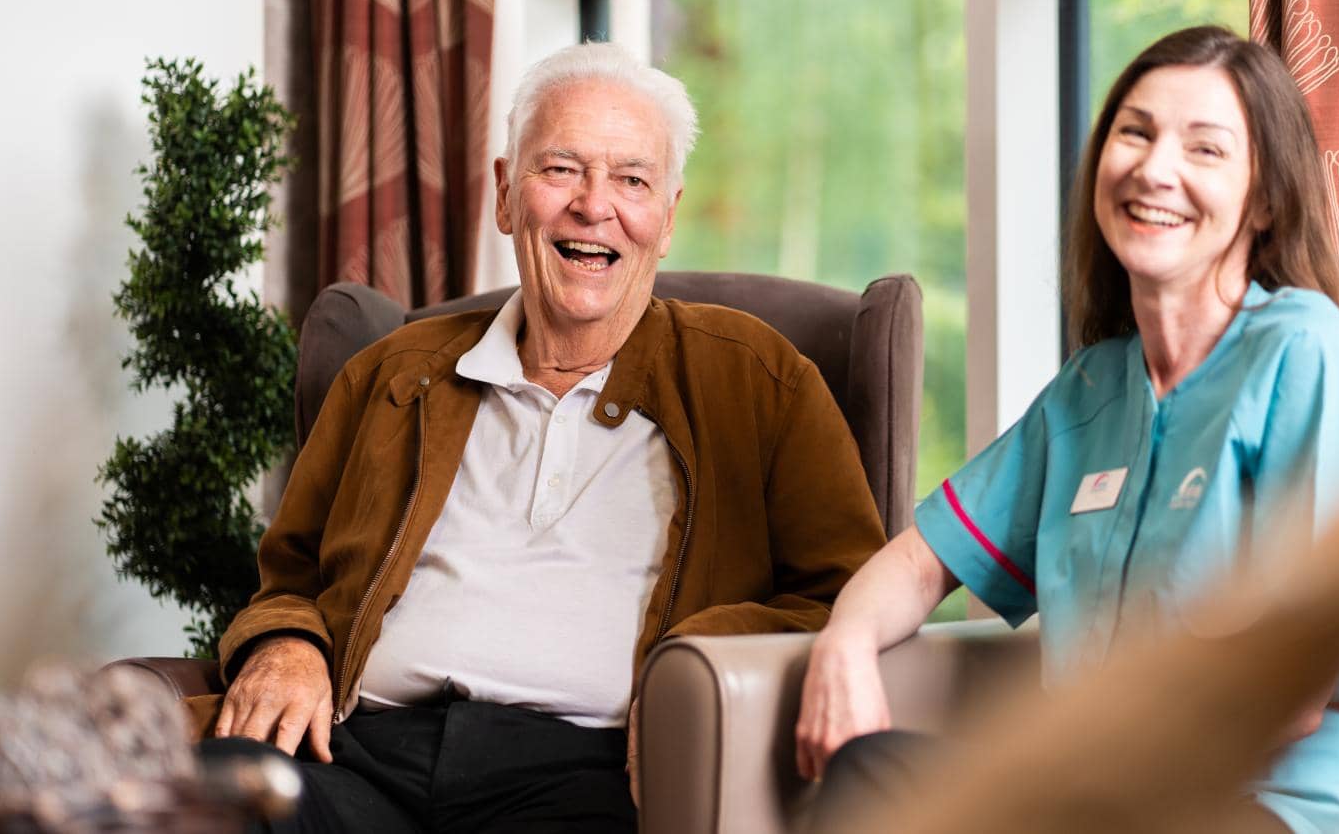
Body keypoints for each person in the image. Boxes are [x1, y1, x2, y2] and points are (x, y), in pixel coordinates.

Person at [203, 41, 887, 833]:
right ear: (504, 192)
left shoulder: (759, 379)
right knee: (203, 801)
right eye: (560, 168)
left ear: (666, 219)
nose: (594, 206)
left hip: (590, 778)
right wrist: (287, 643)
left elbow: (845, 598)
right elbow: (290, 574)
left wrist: (694, 654)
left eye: (632, 180)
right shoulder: (391, 374)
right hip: (356, 756)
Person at [795, 25, 1339, 833]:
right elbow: (919, 565)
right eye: (1135, 132)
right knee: (874, 772)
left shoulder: (1306, 354)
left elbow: (1292, 690)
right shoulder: (1088, 392)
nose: (1155, 169)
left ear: (1266, 200)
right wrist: (843, 646)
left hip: (1285, 805)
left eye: (1205, 149)